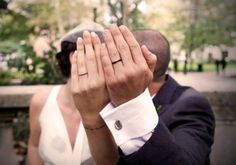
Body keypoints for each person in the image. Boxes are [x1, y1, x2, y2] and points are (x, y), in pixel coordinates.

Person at [71, 26, 215, 165]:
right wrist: (91, 117)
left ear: (139, 64)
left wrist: (131, 102)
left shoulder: (191, 105)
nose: (102, 66)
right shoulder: (112, 101)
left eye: (112, 58)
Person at [27, 22, 156, 165]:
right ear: (75, 56)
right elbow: (34, 146)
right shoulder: (40, 101)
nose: (109, 62)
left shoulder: (115, 106)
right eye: (101, 55)